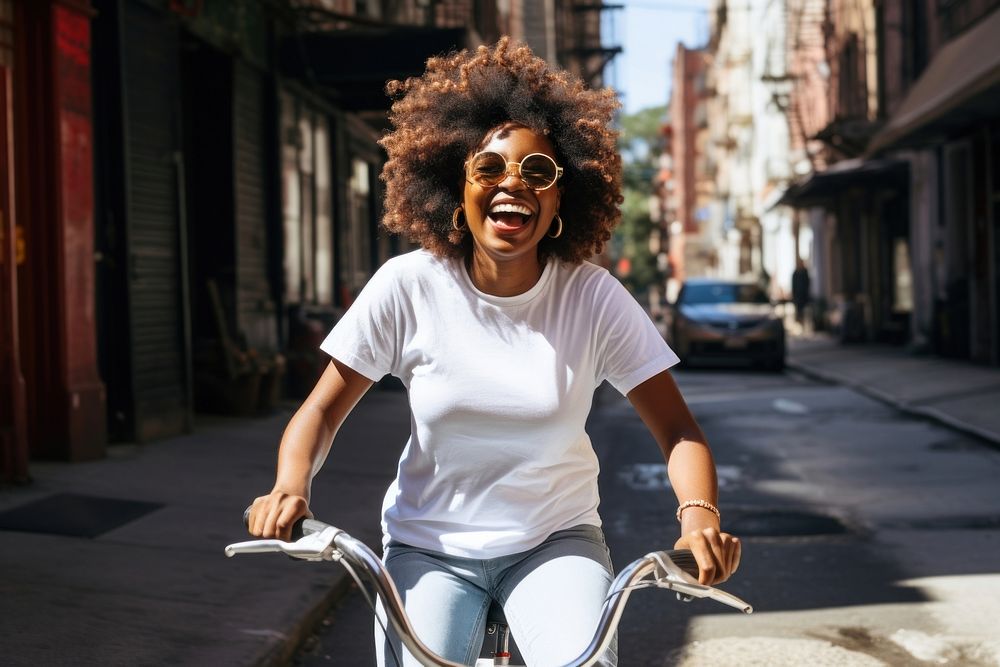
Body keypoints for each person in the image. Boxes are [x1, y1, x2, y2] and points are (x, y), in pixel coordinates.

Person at [247, 39, 741, 666]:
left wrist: (698, 517)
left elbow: (676, 429)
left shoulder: (592, 297)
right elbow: (319, 411)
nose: (514, 185)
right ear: (457, 181)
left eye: (538, 173)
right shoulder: (409, 285)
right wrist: (290, 486)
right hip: (429, 545)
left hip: (556, 543)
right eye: (490, 169)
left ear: (562, 199)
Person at [791, 259, 811, 333]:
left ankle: (805, 329)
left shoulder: (805, 272)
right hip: (797, 297)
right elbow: (793, 286)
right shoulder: (795, 273)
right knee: (799, 314)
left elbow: (808, 284)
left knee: (805, 313)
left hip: (804, 297)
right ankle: (800, 329)